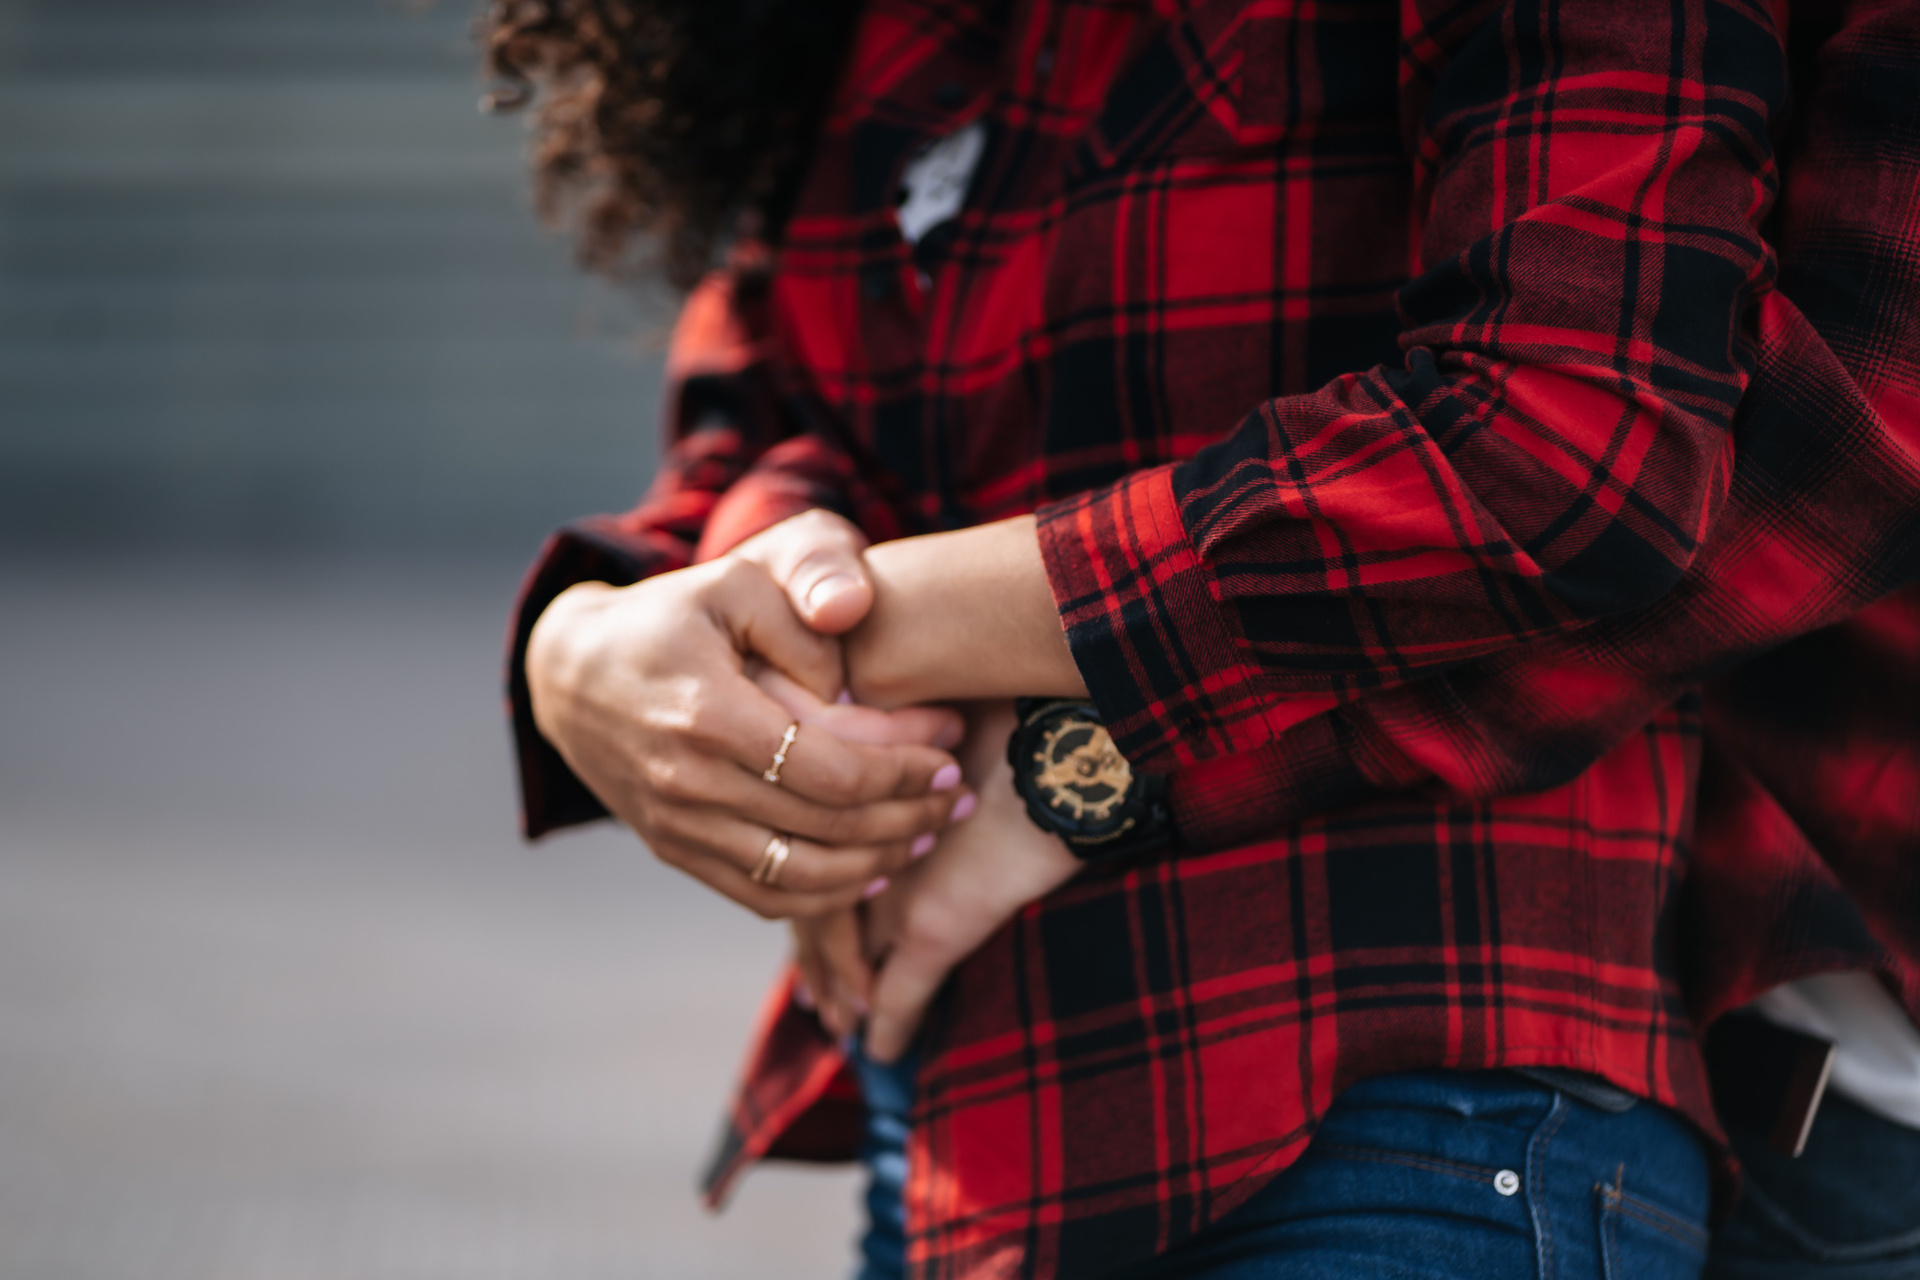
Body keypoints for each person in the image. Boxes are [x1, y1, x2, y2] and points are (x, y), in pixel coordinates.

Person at [485, 1, 1920, 1277]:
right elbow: (791, 398)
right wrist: (597, 646)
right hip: (970, 1116)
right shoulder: (902, 40)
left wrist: (1040, 725)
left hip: (1403, 1074)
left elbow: (1588, 450)